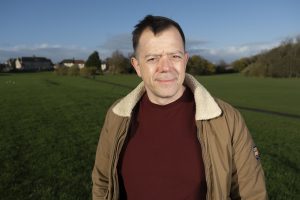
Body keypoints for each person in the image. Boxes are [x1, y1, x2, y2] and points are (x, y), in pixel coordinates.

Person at [92, 15, 268, 200]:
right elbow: (103, 182)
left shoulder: (227, 119)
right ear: (137, 66)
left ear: (185, 60)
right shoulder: (117, 115)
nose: (165, 67)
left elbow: (251, 194)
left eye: (174, 56)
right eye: (153, 58)